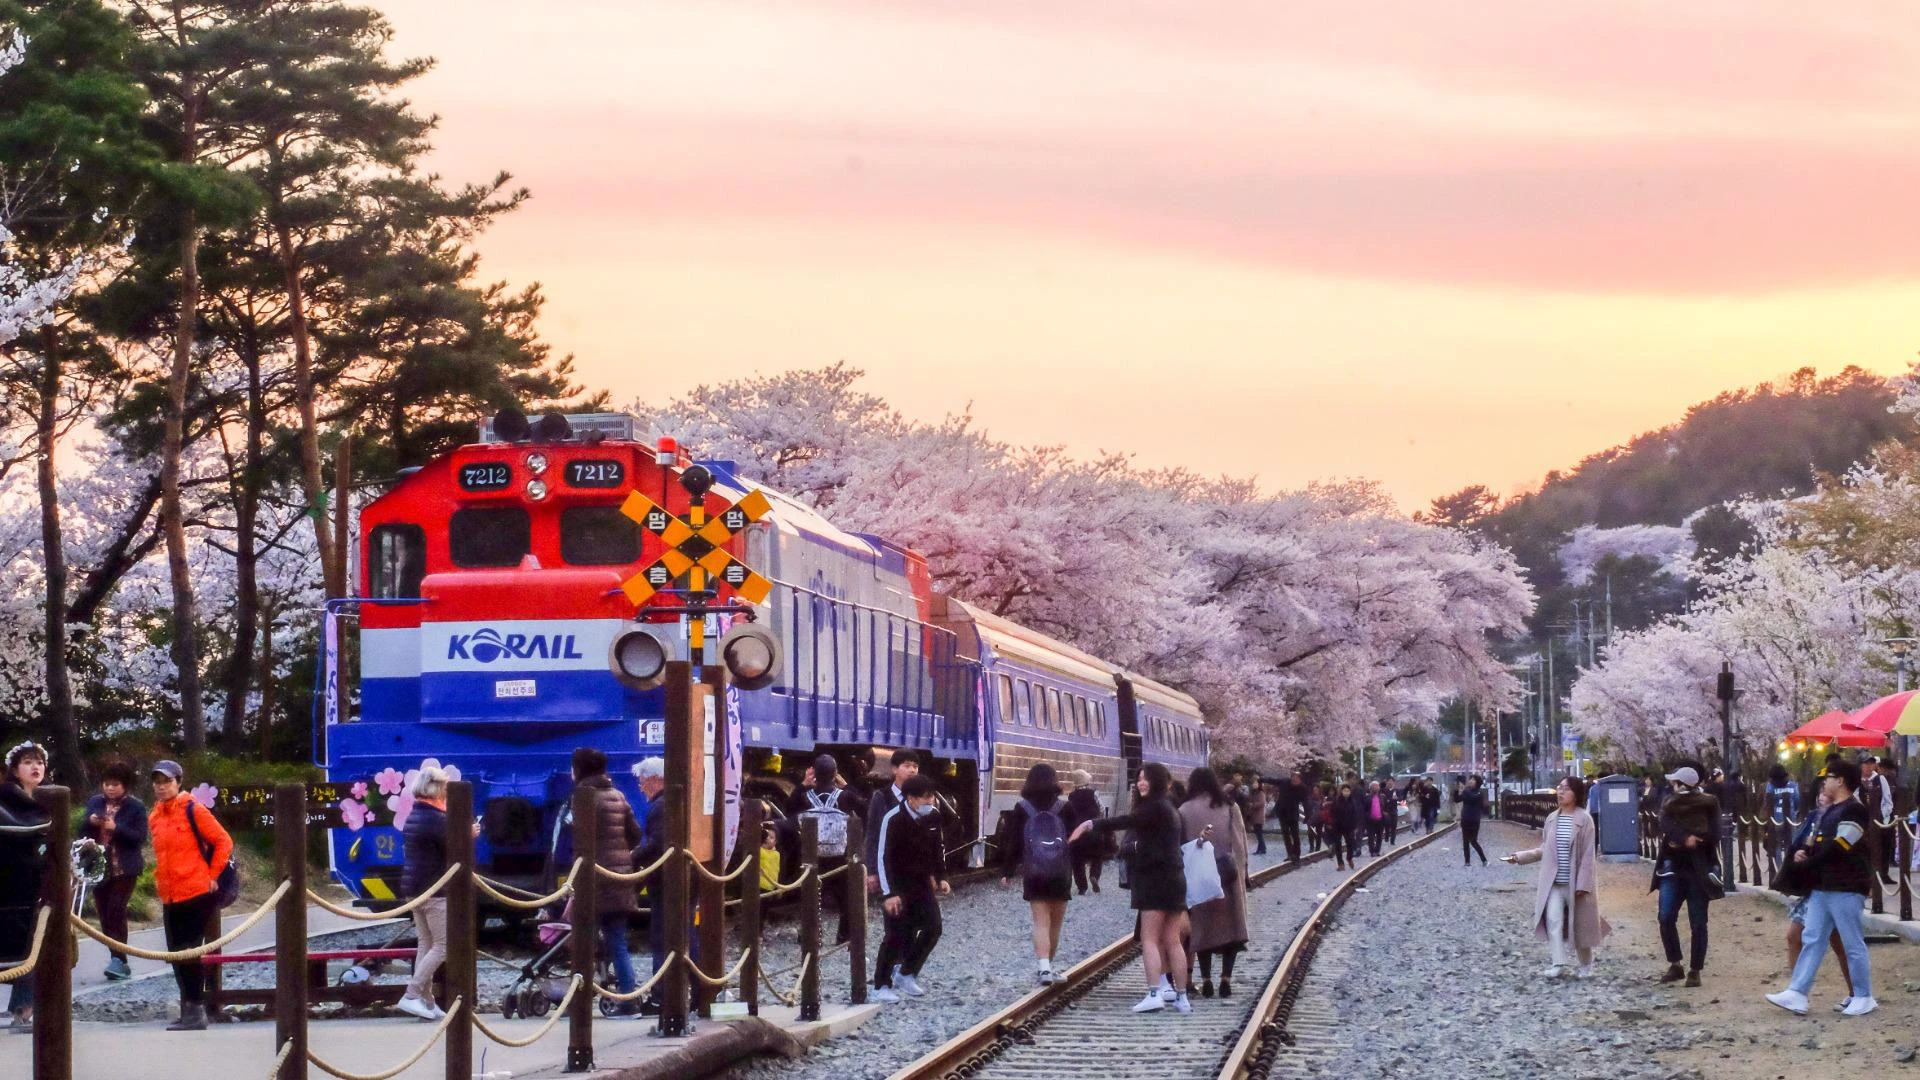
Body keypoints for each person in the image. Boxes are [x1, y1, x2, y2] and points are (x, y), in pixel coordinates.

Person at [1071, 763, 1194, 1014]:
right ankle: (1182, 997)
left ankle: (1154, 993)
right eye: (1139, 778)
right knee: (1172, 940)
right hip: (1175, 879)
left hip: (1154, 880)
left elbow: (1125, 821)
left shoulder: (1153, 808)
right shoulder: (1171, 808)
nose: (1141, 782)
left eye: (1146, 778)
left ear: (1158, 781)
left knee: (1150, 939)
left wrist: (1090, 824)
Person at [1767, 759, 1877, 1016]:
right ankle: (1798, 991)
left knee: (1852, 942)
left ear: (1840, 781)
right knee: (1812, 938)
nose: (1824, 783)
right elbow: (1818, 842)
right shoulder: (1829, 810)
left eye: (1828, 778)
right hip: (1822, 886)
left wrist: (1811, 861)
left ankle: (1863, 995)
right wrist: (1803, 854)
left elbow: (1841, 846)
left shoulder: (1855, 810)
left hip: (1846, 885)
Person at [148, 759, 232, 1031]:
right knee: (175, 954)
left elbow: (223, 841)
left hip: (196, 890)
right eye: (158, 782)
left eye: (167, 782)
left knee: (190, 952)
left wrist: (212, 875)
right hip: (170, 893)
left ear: (179, 782)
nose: (162, 787)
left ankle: (196, 1009)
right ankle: (188, 1008)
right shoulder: (155, 815)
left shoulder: (193, 809)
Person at [1502, 776, 1609, 979]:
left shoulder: (1585, 820)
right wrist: (1520, 857)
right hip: (1553, 882)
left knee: (1580, 925)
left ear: (1576, 794)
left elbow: (1588, 854)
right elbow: (1545, 849)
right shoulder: (1552, 818)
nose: (1560, 792)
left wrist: (1584, 884)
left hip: (1575, 882)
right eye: (1559, 788)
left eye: (1566, 789)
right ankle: (1558, 963)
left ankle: (1586, 964)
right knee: (1553, 920)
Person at [571, 748, 643, 1014]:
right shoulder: (618, 795)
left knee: (583, 941)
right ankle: (629, 998)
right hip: (620, 879)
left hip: (593, 881)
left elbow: (577, 841)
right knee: (617, 940)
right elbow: (635, 834)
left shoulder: (582, 798)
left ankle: (577, 1002)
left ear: (579, 769)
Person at [871, 775, 951, 1002]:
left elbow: (938, 848)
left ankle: (907, 973)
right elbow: (883, 856)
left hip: (921, 883)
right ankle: (880, 985)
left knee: (933, 927)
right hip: (898, 884)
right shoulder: (893, 818)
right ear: (911, 798)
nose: (931, 802)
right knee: (896, 935)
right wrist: (888, 893)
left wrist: (941, 875)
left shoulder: (934, 817)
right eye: (926, 798)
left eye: (932, 796)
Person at [997, 763, 1075, 985]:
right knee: (1055, 924)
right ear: (1054, 781)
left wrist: (1007, 872)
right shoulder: (1065, 808)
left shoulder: (1021, 808)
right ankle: (1049, 967)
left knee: (1040, 922)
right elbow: (1075, 841)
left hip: (1034, 873)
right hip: (1060, 873)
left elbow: (1013, 843)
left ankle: (1043, 969)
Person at [1777, 788, 1854, 1007]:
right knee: (1795, 936)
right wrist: (1801, 852)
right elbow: (1803, 843)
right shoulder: (1815, 816)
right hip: (1815, 886)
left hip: (1834, 885)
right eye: (1820, 791)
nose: (1822, 795)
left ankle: (1857, 993)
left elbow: (1842, 851)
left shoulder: (1847, 814)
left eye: (1827, 790)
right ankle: (1796, 993)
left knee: (1839, 943)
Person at [1179, 769, 1249, 997]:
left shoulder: (1184, 810)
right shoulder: (1229, 807)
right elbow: (1239, 844)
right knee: (1232, 928)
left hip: (1199, 875)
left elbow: (1181, 846)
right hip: (1227, 875)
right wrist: (1242, 872)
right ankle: (1225, 978)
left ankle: (1206, 978)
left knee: (1203, 927)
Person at [1652, 763, 1720, 987]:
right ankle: (1675, 963)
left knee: (1698, 921)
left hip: (1699, 868)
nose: (1672, 786)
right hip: (1671, 867)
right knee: (1665, 915)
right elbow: (1664, 824)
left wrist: (1691, 839)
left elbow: (1715, 834)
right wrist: (1685, 838)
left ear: (1683, 785)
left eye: (1675, 782)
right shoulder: (1669, 803)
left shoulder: (1709, 803)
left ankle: (1695, 970)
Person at [788, 755, 866, 945]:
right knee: (845, 897)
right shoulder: (845, 797)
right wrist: (846, 785)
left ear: (814, 772)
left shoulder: (805, 797)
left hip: (812, 854)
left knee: (811, 896)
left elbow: (789, 811)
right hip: (839, 854)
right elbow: (864, 807)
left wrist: (803, 784)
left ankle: (811, 935)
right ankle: (844, 935)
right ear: (835, 773)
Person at [396, 766, 453, 1020]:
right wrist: (469, 834)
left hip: (414, 887)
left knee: (426, 943)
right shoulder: (437, 818)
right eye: (444, 788)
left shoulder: (415, 814)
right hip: (434, 888)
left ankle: (427, 1003)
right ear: (436, 788)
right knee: (443, 946)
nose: (446, 793)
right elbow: (454, 847)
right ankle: (411, 995)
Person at [0, 742, 49, 1032]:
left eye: (40, 762)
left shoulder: (47, 798)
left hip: (35, 885)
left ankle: (23, 1008)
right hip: (10, 885)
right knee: (19, 947)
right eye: (28, 762)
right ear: (15, 769)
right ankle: (22, 1008)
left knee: (35, 945)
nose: (36, 767)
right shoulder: (6, 798)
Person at [83, 760, 147, 983]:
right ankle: (116, 958)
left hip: (125, 868)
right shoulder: (95, 802)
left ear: (126, 785)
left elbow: (140, 837)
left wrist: (116, 828)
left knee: (116, 909)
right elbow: (81, 831)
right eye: (106, 784)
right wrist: (91, 822)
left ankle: (120, 959)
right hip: (99, 868)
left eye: (115, 784)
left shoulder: (136, 806)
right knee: (103, 913)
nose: (110, 788)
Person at [629, 757, 671, 1015]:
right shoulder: (669, 803)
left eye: (644, 782)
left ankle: (660, 997)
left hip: (665, 882)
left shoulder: (659, 808)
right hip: (675, 879)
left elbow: (656, 845)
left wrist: (631, 858)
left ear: (656, 780)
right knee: (682, 936)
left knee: (662, 940)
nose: (642, 788)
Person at [865, 750, 920, 896]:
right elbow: (872, 835)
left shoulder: (921, 798)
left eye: (915, 766)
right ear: (894, 769)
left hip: (916, 871)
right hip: (890, 869)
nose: (912, 770)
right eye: (907, 765)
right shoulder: (881, 796)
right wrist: (871, 871)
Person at [1065, 770, 1106, 895]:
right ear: (1086, 781)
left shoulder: (1071, 796)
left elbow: (1070, 813)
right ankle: (1094, 876)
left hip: (1077, 831)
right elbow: (1102, 809)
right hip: (1093, 828)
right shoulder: (1094, 793)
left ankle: (1082, 887)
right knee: (1097, 856)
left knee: (1078, 860)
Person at [1763, 764, 1801, 870]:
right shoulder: (1793, 785)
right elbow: (1798, 800)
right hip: (1791, 818)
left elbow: (1767, 803)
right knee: (1791, 844)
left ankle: (1778, 869)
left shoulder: (1770, 786)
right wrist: (1795, 811)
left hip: (1775, 819)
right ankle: (1791, 868)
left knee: (1777, 846)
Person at [1454, 775, 1489, 866]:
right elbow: (1457, 799)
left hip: (1474, 820)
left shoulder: (1479, 793)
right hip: (1465, 818)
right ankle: (1467, 861)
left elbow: (1473, 798)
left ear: (1477, 782)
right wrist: (1456, 789)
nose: (1471, 781)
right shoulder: (1467, 792)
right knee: (1465, 841)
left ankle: (1484, 859)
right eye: (1470, 779)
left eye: (1473, 780)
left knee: (1473, 840)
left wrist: (1465, 789)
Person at [1328, 782, 1357, 871]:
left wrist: (1355, 825)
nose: (1346, 792)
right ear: (1341, 792)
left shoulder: (1353, 802)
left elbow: (1355, 814)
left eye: (1348, 790)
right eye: (1344, 790)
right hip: (1338, 826)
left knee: (1350, 843)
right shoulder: (1336, 801)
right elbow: (1332, 813)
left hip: (1349, 826)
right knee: (1338, 844)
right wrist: (1333, 823)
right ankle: (1340, 863)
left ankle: (1349, 857)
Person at [1363, 781, 1387, 857]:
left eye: (1377, 786)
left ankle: (1377, 850)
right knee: (1371, 837)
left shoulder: (1382, 797)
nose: (1376, 788)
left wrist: (1384, 814)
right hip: (1370, 821)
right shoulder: (1367, 798)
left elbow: (1385, 807)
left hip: (1380, 820)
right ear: (1370, 788)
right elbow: (1364, 810)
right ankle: (1372, 851)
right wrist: (1368, 816)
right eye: (1374, 786)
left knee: (1379, 836)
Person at [1245, 781, 1268, 857]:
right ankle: (1261, 848)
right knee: (1258, 833)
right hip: (1254, 816)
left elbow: (1262, 803)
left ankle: (1262, 848)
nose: (1254, 785)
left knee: (1259, 833)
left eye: (1255, 783)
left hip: (1259, 816)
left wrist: (1252, 805)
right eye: (1253, 783)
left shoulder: (1261, 793)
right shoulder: (1253, 793)